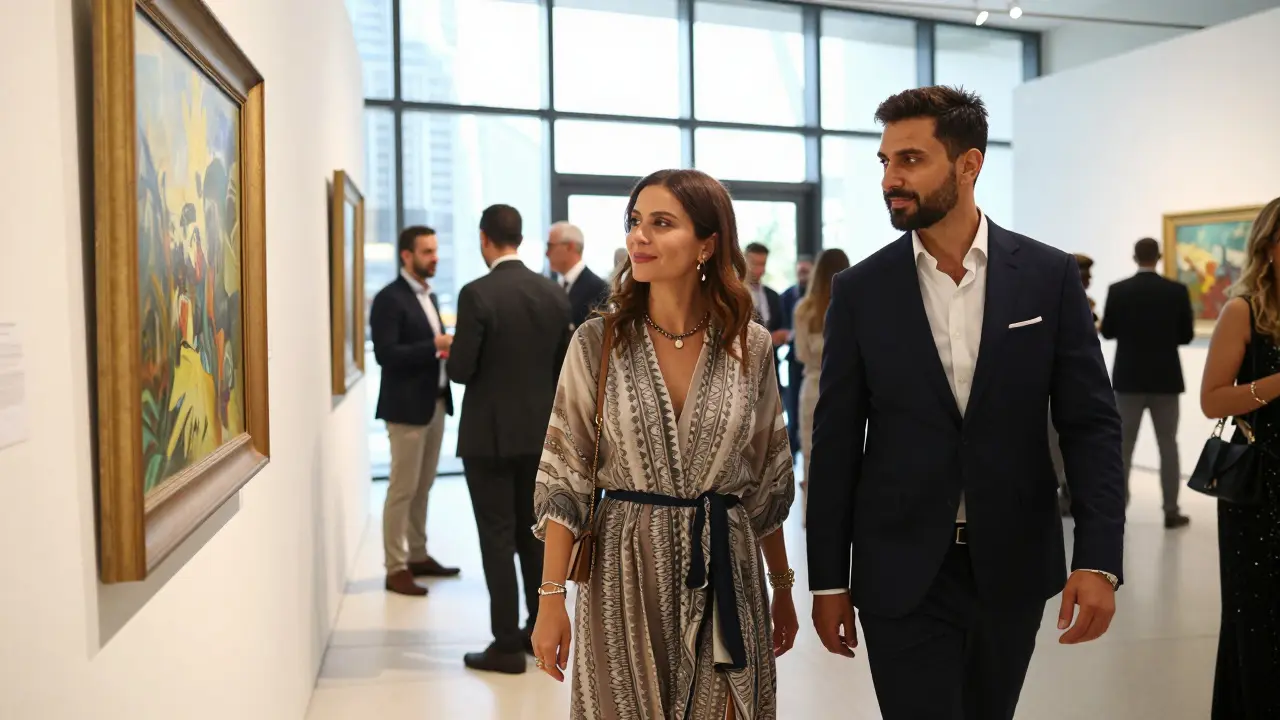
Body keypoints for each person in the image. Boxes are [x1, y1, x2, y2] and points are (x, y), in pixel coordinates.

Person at [806, 86, 1125, 720]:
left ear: (968, 164)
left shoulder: (1047, 276)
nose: (890, 179)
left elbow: (1090, 426)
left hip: (1012, 562)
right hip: (900, 567)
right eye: (885, 161)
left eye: (911, 159)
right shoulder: (861, 290)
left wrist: (1098, 559)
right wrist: (828, 578)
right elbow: (836, 443)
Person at [529, 169, 798, 720]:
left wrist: (783, 587)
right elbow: (565, 473)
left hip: (727, 570)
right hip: (623, 572)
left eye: (661, 223)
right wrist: (551, 598)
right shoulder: (598, 342)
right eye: (634, 222)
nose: (639, 236)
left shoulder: (747, 345)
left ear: (707, 244)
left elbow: (767, 477)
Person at [447, 204, 573, 674]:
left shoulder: (476, 294)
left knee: (497, 538)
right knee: (534, 535)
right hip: (540, 436)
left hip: (488, 438)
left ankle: (503, 644)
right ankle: (533, 631)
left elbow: (461, 369)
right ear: (520, 238)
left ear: (485, 238)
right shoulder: (553, 293)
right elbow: (561, 369)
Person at [1199, 196, 1280, 719]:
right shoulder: (1243, 310)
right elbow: (1213, 400)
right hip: (1262, 490)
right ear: (1268, 247)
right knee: (1260, 621)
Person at [369, 225, 460, 597]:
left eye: (436, 250)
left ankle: (418, 555)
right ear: (406, 255)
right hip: (406, 408)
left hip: (434, 402)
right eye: (427, 252)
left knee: (424, 485)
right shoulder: (389, 299)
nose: (435, 258)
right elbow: (385, 354)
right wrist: (435, 344)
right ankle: (395, 567)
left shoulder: (429, 295)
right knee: (402, 490)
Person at [1100, 237, 1194, 528]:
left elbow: (1108, 331)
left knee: (1122, 447)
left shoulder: (1118, 290)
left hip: (1128, 380)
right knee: (1168, 445)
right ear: (1160, 256)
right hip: (1166, 380)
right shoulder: (1176, 291)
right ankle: (1171, 511)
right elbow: (1186, 335)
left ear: (1134, 257)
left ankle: (1118, 509)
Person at [791, 248, 849, 525]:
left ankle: (813, 519)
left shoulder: (805, 309)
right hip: (847, 387)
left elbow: (801, 354)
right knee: (846, 454)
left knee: (812, 454)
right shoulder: (852, 304)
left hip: (814, 386)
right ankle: (843, 517)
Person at [547, 221, 610, 330]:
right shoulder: (556, 286)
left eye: (550, 246)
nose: (547, 253)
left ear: (569, 246)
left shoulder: (598, 289)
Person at [779, 257, 813, 455]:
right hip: (794, 359)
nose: (803, 276)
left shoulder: (819, 298)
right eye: (800, 272)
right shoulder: (786, 296)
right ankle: (792, 449)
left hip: (813, 361)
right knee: (793, 406)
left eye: (806, 272)